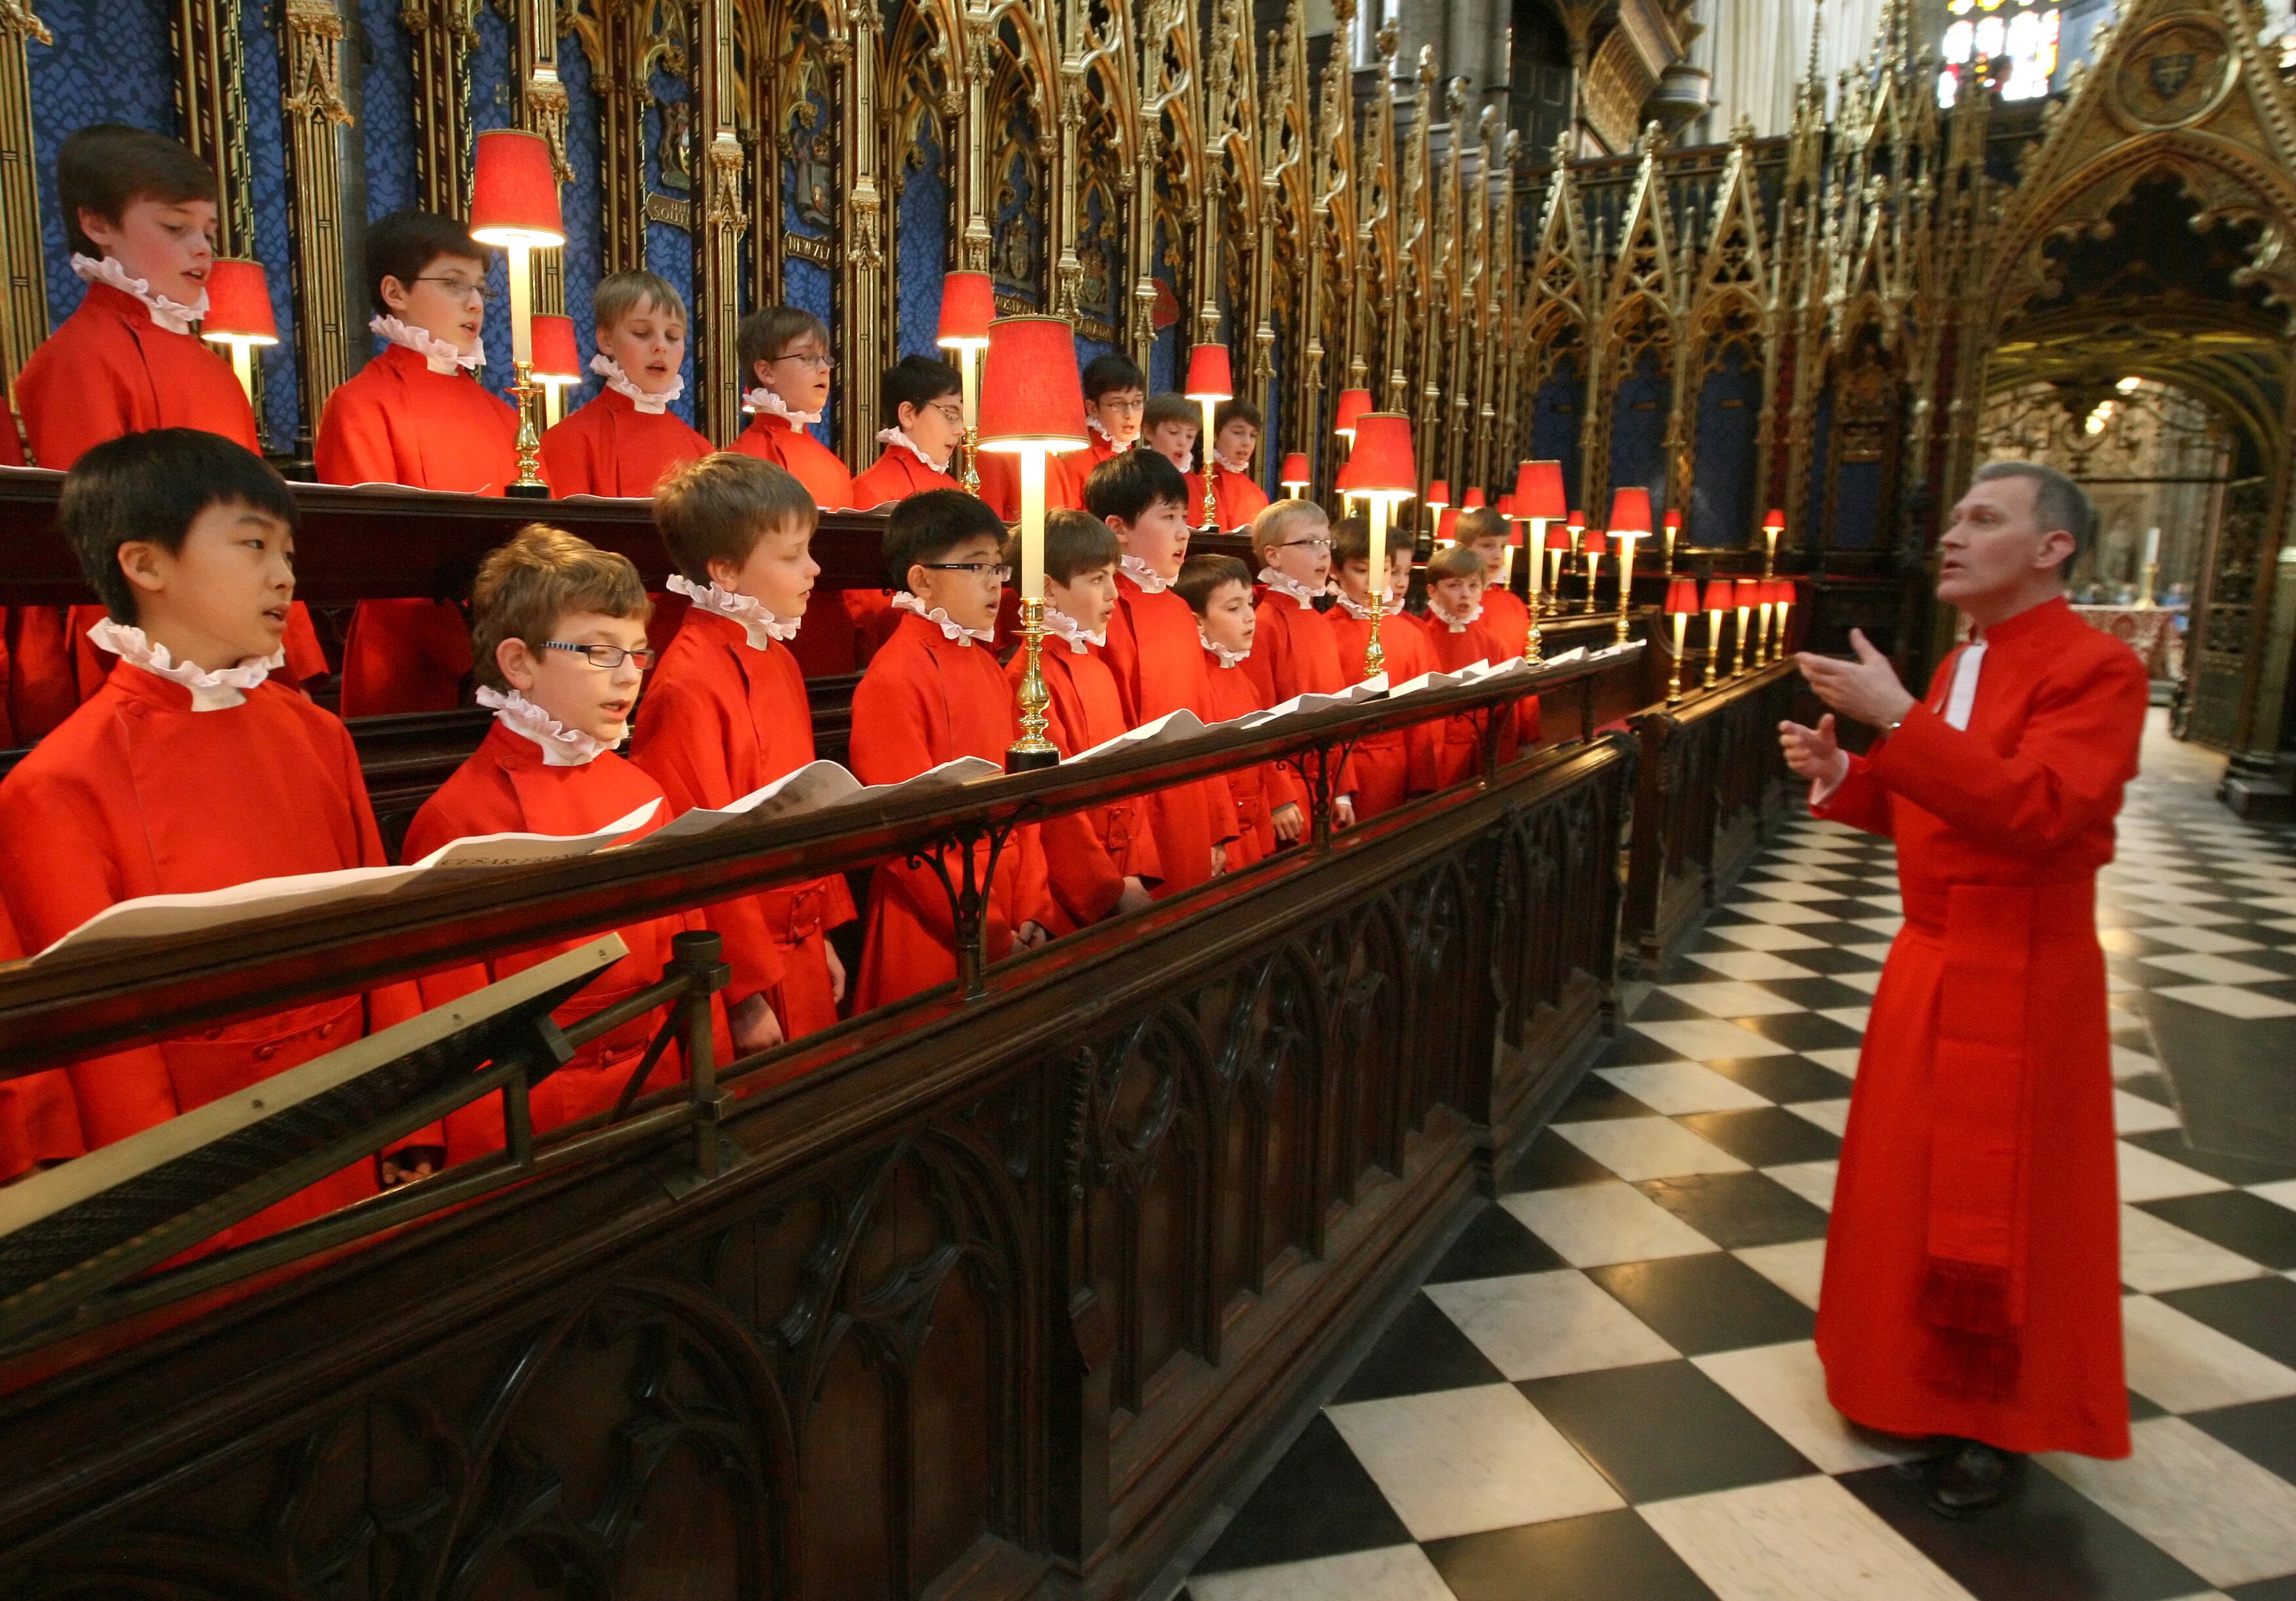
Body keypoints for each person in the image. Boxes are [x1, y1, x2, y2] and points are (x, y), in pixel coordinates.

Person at [1779, 460, 2147, 1513]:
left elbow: (2039, 811)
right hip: (1932, 956)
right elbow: (1937, 805)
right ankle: (1902, 1376)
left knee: (2002, 1200)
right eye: (1954, 517)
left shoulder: (2097, 668)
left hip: (2024, 970)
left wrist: (1895, 719)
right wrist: (1847, 773)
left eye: (1985, 520)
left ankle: (1999, 1419)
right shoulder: (1963, 665)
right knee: (1909, 1179)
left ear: (2052, 549)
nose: (1951, 536)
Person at [0, 431, 419, 1230]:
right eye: (254, 544)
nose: (284, 574)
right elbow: (100, 1038)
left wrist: (409, 1106)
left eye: (288, 549)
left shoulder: (315, 733)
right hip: (203, 1171)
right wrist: (165, 1201)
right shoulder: (60, 781)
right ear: (146, 564)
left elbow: (382, 929)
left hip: (347, 1122)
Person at [401, 525, 748, 1164]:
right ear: (519, 662)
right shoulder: (460, 816)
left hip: (657, 1089)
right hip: (535, 1120)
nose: (628, 676)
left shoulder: (642, 787)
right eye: (598, 652)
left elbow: (688, 953)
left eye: (638, 653)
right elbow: (460, 1030)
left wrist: (710, 1078)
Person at [12, 124, 326, 731]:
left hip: (240, 653)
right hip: (153, 672)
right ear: (98, 225)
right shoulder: (77, 359)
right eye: (174, 227)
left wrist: (289, 659)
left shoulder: (212, 370)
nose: (202, 250)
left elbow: (265, 527)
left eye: (208, 231)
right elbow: (96, 548)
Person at [630, 453, 857, 1047]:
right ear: (724, 571)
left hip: (799, 939)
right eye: (790, 555)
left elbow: (807, 806)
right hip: (748, 965)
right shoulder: (687, 683)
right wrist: (744, 993)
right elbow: (697, 853)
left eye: (808, 548)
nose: (813, 569)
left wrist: (823, 931)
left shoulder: (776, 656)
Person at [846, 491, 1053, 1007]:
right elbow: (907, 828)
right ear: (921, 579)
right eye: (975, 566)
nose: (994, 583)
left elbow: (1021, 795)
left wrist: (1031, 902)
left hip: (1007, 899)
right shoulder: (894, 676)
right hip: (935, 916)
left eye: (998, 568)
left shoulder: (987, 665)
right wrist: (989, 925)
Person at [316, 210, 525, 717]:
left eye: (480, 288)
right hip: (405, 660)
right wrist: (471, 658)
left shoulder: (502, 414)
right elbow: (374, 555)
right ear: (395, 292)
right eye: (454, 284)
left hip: (513, 657)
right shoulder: (360, 404)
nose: (475, 302)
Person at [1088, 449, 1235, 896]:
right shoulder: (1104, 612)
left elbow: (1205, 720)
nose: (1183, 532)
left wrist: (1217, 824)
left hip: (1189, 805)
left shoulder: (1176, 609)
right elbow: (1112, 742)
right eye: (1168, 516)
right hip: (1139, 822)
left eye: (1184, 517)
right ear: (1118, 530)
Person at [1006, 510, 1160, 933]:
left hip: (1123, 866)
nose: (1113, 592)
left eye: (1113, 575)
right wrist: (1107, 888)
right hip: (1075, 889)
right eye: (1096, 579)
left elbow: (1127, 774)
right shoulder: (1028, 677)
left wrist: (1133, 868)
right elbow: (1052, 802)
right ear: (1048, 591)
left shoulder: (1096, 665)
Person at [537, 269, 710, 498]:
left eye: (673, 336)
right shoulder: (569, 441)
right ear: (606, 341)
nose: (661, 346)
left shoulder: (702, 452)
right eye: (642, 332)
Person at [1179, 553, 1305, 866]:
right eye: (1234, 608)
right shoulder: (1195, 680)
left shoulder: (1240, 675)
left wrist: (1279, 800)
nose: (1250, 616)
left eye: (1250, 603)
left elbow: (1264, 747)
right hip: (1226, 835)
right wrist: (1215, 834)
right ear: (1197, 621)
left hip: (1254, 827)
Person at [848, 355, 968, 664]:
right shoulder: (871, 489)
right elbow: (865, 602)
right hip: (903, 653)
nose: (961, 430)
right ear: (908, 413)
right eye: (950, 414)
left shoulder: (955, 488)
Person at [1245, 499, 1357, 823]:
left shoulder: (1319, 622)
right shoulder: (1264, 624)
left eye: (1326, 542)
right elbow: (1258, 718)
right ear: (1273, 555)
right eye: (1309, 543)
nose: (1324, 553)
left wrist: (1343, 789)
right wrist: (1279, 799)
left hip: (1327, 782)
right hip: (1291, 793)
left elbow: (1337, 710)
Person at [1326, 517, 1439, 817]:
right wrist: (1339, 791)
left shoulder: (1410, 635)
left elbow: (1423, 717)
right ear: (1335, 570)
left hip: (1397, 767)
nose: (1375, 582)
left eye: (1385, 570)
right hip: (1342, 770)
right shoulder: (1323, 633)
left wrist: (1422, 784)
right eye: (1362, 571)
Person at [729, 306, 854, 512]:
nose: (824, 369)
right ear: (766, 371)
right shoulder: (738, 466)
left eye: (826, 358)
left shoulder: (836, 468)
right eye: (807, 357)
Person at [1416, 542, 1504, 786]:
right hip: (1437, 750)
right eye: (1454, 585)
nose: (1465, 594)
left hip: (1480, 747)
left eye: (1473, 585)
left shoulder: (1492, 641)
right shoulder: (1420, 637)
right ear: (1433, 592)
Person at [1054, 353, 1146, 508]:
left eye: (1137, 402)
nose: (1130, 415)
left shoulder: (1143, 462)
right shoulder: (1074, 464)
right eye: (1117, 404)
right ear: (1093, 408)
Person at [1200, 398, 1271, 533]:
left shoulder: (1258, 493)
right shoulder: (1202, 484)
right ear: (1215, 434)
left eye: (1253, 435)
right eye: (1238, 433)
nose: (1247, 443)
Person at [1142, 393, 1199, 477]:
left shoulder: (1200, 485)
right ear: (1149, 432)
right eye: (1174, 432)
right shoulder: (1133, 478)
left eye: (1190, 436)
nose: (1183, 442)